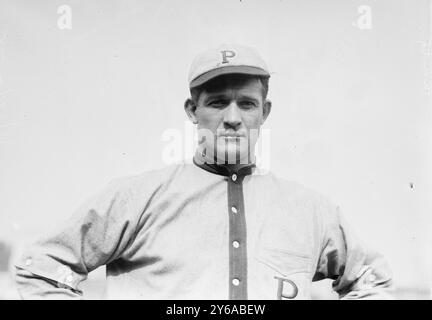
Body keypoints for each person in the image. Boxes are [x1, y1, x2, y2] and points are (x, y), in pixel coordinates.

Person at [14, 44, 393, 299]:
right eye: (216, 103)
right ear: (192, 111)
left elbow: (370, 280)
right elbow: (41, 266)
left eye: (246, 103)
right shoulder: (137, 197)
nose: (232, 119)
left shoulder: (311, 210)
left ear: (265, 112)